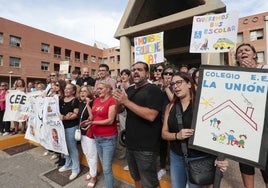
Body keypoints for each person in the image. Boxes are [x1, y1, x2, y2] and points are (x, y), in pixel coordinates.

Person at [161, 72, 228, 188]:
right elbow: (164, 134)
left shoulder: (204, 105)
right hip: (176, 157)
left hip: (199, 158)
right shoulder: (170, 106)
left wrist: (220, 158)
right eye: (173, 84)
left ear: (189, 84)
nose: (175, 86)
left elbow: (217, 133)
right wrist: (177, 135)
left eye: (179, 82)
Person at [113, 61, 163, 188]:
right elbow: (120, 110)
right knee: (136, 177)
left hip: (146, 147)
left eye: (139, 69)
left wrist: (126, 102)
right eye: (133, 69)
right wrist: (119, 101)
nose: (135, 72)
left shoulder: (154, 90)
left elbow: (151, 115)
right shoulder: (129, 90)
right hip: (130, 144)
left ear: (147, 73)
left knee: (150, 182)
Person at [235, 43, 268, 188]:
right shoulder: (234, 75)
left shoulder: (265, 69)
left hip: (265, 128)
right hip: (245, 127)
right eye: (240, 51)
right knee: (246, 165)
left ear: (254, 54)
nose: (243, 52)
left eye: (246, 50)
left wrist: (253, 72)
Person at [82, 81, 117, 188]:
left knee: (106, 168)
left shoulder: (112, 101)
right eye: (97, 89)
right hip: (97, 137)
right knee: (103, 164)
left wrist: (93, 123)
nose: (98, 90)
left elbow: (110, 120)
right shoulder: (96, 100)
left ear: (108, 89)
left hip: (108, 139)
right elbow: (93, 116)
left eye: (101, 88)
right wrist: (89, 121)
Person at [58, 83, 80, 181]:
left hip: (71, 127)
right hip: (61, 127)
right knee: (65, 147)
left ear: (73, 91)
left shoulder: (75, 101)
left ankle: (76, 169)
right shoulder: (61, 100)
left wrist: (66, 117)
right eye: (65, 88)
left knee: (72, 148)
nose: (66, 90)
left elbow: (76, 114)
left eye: (69, 89)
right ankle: (68, 164)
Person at [78, 85, 98, 188]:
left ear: (89, 92)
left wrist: (88, 104)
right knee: (86, 153)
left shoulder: (93, 102)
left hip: (90, 132)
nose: (82, 93)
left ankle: (94, 177)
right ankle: (91, 171)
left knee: (92, 154)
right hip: (82, 132)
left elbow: (92, 117)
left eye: (85, 91)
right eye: (81, 91)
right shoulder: (80, 103)